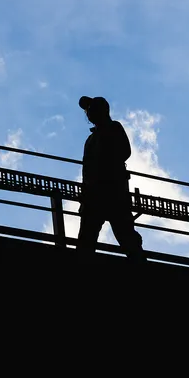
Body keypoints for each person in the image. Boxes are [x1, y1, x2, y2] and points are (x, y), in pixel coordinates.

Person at [76, 96, 144, 259]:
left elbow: (125, 151)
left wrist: (106, 166)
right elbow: (86, 170)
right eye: (88, 110)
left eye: (91, 108)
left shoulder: (113, 128)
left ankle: (141, 265)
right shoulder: (90, 140)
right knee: (87, 238)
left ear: (102, 110)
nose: (89, 113)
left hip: (113, 193)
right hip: (95, 194)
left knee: (125, 235)